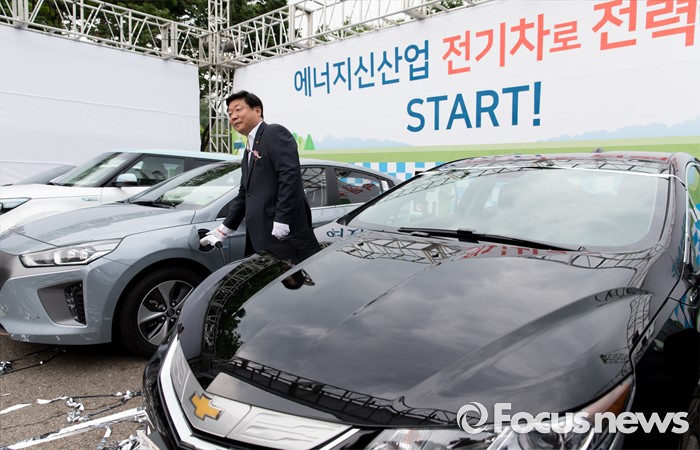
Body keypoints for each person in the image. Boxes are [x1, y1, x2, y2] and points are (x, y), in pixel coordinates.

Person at [200, 90, 313, 256]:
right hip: (258, 234)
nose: (233, 117)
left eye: (238, 110)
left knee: (290, 273)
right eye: (230, 113)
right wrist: (224, 229)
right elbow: (244, 194)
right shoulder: (248, 149)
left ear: (257, 110)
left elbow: (289, 176)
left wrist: (282, 219)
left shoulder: (274, 133)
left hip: (281, 231)